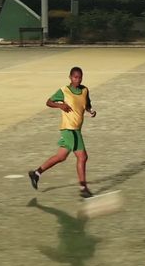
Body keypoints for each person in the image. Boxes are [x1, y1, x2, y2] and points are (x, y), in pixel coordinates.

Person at [28, 66, 97, 198]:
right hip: (68, 129)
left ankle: (36, 173)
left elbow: (86, 104)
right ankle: (83, 187)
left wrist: (90, 111)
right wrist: (60, 105)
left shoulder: (84, 90)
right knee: (82, 157)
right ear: (70, 78)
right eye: (75, 77)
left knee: (61, 157)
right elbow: (48, 102)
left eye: (80, 77)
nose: (78, 79)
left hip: (77, 129)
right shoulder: (64, 91)